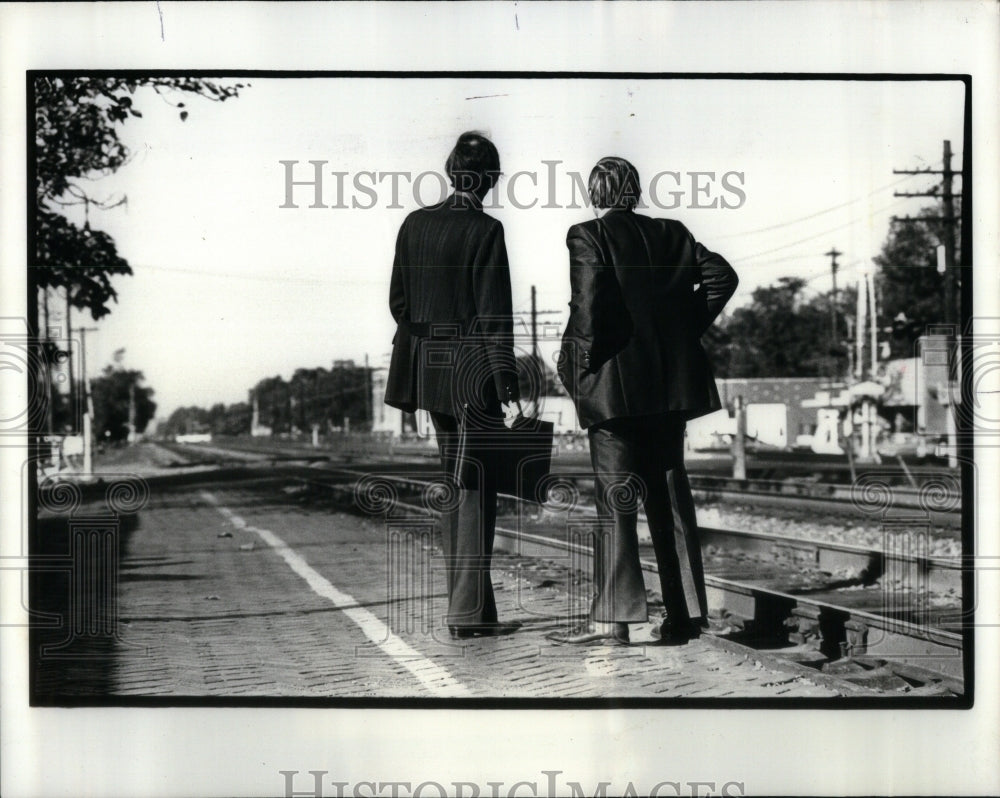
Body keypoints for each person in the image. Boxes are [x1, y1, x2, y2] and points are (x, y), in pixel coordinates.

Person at [551, 156, 738, 646]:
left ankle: (616, 622)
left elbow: (587, 309)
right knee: (670, 498)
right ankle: (685, 614)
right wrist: (681, 332)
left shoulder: (587, 235)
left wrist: (576, 365)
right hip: (669, 389)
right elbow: (723, 276)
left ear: (596, 193)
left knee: (617, 502)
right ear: (634, 190)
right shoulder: (673, 232)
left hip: (614, 389)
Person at [384, 131, 521, 639]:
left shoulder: (413, 224)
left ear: (450, 172)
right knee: (475, 490)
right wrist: (504, 378)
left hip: (428, 373)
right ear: (487, 179)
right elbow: (494, 314)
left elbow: (399, 303)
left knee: (455, 484)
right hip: (472, 374)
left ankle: (476, 610)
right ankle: (466, 615)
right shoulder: (486, 230)